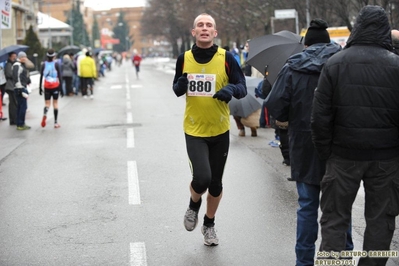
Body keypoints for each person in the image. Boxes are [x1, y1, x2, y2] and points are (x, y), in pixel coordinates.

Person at [311, 6, 399, 265]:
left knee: (334, 220)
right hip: (387, 158)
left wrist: (326, 152)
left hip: (342, 156)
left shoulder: (335, 63)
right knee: (381, 223)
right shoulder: (396, 66)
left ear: (357, 27)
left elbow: (319, 117)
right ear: (385, 28)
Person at [265, 19, 353, 266]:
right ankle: (342, 257)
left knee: (306, 207)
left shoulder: (292, 67)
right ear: (328, 42)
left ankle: (304, 260)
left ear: (307, 44)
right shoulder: (343, 64)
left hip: (304, 145)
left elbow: (276, 107)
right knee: (338, 208)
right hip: (339, 146)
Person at [172, 13, 247, 246]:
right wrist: (180, 85)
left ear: (215, 33)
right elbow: (176, 88)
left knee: (215, 184)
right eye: (200, 25)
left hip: (220, 130)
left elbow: (242, 87)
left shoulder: (227, 58)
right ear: (193, 32)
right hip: (194, 129)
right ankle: (194, 204)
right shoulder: (183, 58)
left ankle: (209, 224)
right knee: (202, 178)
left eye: (209, 25)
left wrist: (231, 89)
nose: (204, 28)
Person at [39, 48, 63, 128]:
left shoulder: (44, 64)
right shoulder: (56, 64)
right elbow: (59, 76)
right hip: (55, 86)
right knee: (55, 103)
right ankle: (56, 122)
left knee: (47, 104)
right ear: (54, 56)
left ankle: (45, 114)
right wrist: (61, 88)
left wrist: (40, 88)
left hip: (47, 86)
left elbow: (41, 76)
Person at [12, 52, 31, 130]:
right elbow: (16, 78)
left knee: (21, 106)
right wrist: (20, 88)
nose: (24, 58)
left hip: (21, 87)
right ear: (19, 57)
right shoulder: (17, 65)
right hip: (19, 88)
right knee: (23, 107)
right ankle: (20, 124)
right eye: (22, 57)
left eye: (25, 57)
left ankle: (20, 123)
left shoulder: (22, 65)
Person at [5, 52, 17, 125]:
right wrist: (15, 74)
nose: (14, 57)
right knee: (13, 104)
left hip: (12, 86)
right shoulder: (9, 64)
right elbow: (9, 74)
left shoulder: (13, 64)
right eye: (13, 56)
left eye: (15, 56)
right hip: (10, 87)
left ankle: (13, 120)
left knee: (12, 104)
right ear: (10, 57)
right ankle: (13, 119)